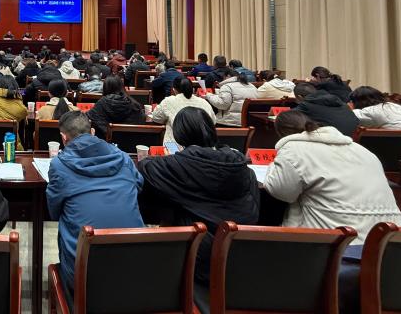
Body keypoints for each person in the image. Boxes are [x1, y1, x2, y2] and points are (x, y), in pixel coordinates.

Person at [139, 107, 260, 286]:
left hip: (200, 259)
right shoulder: (241, 165)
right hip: (242, 255)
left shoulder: (180, 165)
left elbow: (145, 167)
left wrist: (173, 158)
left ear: (179, 135)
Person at [263, 110, 401, 242]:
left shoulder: (293, 150)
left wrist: (272, 167)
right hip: (392, 241)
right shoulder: (362, 150)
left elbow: (283, 192)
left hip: (341, 242)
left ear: (280, 133)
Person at [47, 110, 144, 298]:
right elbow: (139, 186)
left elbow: (54, 211)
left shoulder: (59, 165)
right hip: (135, 268)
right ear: (92, 132)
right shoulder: (123, 157)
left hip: (85, 277)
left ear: (63, 138)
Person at [151, 78, 215, 145]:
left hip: (174, 146)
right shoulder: (204, 102)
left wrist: (167, 119)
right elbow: (213, 121)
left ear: (174, 89)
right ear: (192, 89)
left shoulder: (168, 101)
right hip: (203, 146)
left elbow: (156, 117)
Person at [86, 75, 145, 140]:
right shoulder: (134, 104)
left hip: (105, 142)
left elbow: (89, 117)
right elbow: (141, 119)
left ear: (105, 88)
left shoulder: (102, 102)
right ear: (122, 87)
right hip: (131, 142)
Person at [293, 82, 359, 137]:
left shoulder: (306, 105)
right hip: (352, 138)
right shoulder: (336, 99)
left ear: (299, 97)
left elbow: (289, 117)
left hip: (333, 141)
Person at [0, 77, 27, 147]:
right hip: (11, 148)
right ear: (16, 88)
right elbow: (24, 114)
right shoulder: (20, 107)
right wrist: (18, 98)